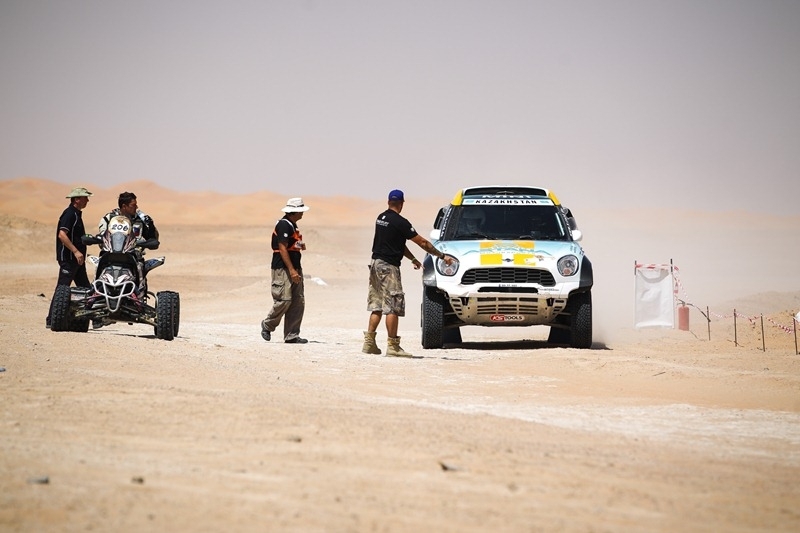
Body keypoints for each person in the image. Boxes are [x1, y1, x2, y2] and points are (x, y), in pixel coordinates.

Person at [363, 189, 453, 357]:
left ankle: (369, 343)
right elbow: (423, 243)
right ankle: (393, 346)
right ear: (402, 203)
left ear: (388, 202)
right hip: (389, 267)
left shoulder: (381, 218)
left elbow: (397, 243)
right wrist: (442, 256)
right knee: (393, 307)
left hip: (375, 265)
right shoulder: (400, 222)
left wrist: (412, 259)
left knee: (377, 305)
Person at [261, 197, 310, 344]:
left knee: (297, 301)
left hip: (295, 267)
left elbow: (290, 245)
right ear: (294, 212)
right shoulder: (283, 225)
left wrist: (299, 246)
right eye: (301, 211)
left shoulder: (293, 226)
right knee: (284, 299)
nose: (302, 213)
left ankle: (291, 335)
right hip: (283, 269)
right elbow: (282, 248)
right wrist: (292, 270)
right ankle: (267, 325)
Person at [46, 187, 93, 328]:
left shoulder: (76, 214)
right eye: (85, 198)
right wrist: (76, 251)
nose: (87, 200)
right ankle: (51, 320)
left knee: (86, 288)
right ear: (77, 199)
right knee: (62, 289)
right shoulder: (69, 214)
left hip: (77, 261)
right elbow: (62, 235)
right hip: (69, 259)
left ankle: (93, 317)